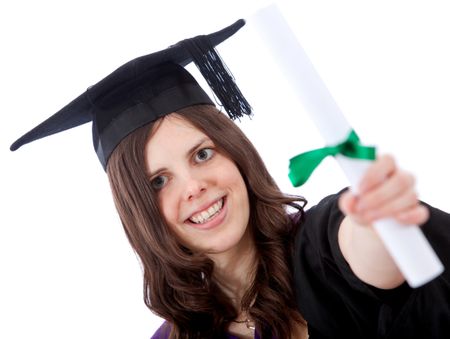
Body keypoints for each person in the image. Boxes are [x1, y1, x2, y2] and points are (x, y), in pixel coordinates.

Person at [10, 19, 450, 339]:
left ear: (235, 153)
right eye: (158, 181)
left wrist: (379, 216)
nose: (193, 186)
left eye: (202, 154)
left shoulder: (319, 245)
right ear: (139, 212)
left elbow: (367, 252)